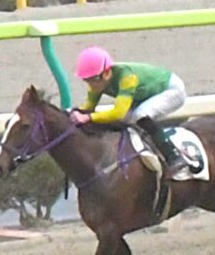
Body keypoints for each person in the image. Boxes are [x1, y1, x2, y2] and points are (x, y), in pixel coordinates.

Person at [71, 45, 188, 175]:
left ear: (107, 72)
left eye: (94, 79)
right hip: (144, 95)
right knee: (126, 120)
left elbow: (118, 112)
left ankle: (174, 157)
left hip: (171, 89)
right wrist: (75, 113)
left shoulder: (127, 77)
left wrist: (88, 118)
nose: (92, 84)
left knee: (139, 115)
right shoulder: (98, 81)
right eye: (87, 80)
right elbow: (88, 107)